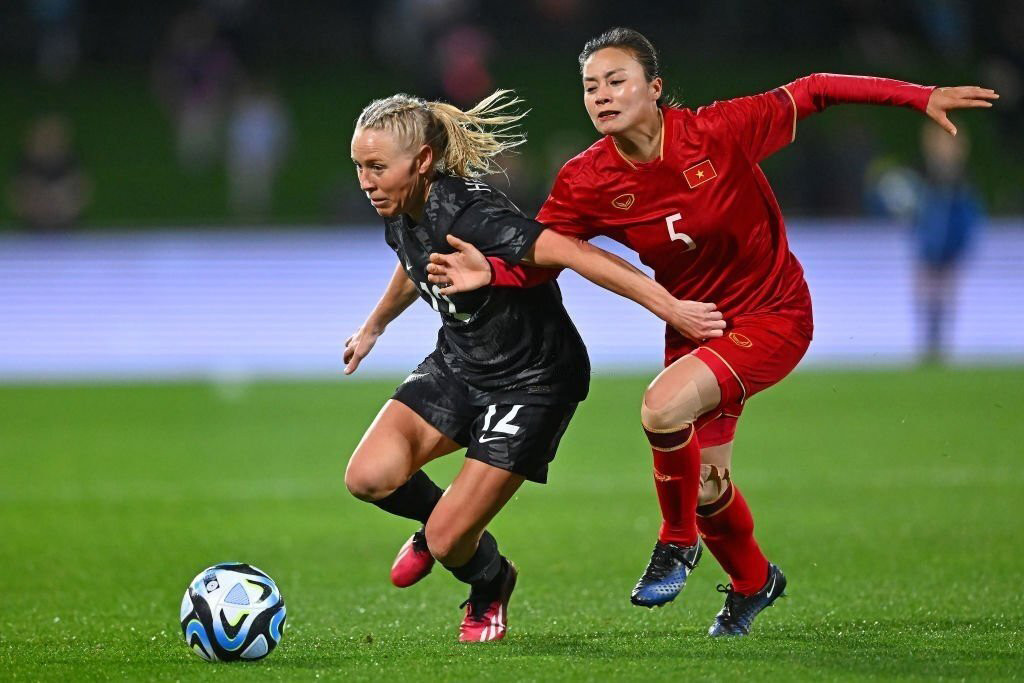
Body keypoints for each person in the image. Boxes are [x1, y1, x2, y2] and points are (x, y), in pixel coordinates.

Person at [422, 27, 998, 637]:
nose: (602, 96)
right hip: (696, 327)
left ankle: (676, 542)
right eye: (591, 87)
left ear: (655, 88)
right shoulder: (586, 179)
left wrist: (919, 97)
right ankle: (754, 582)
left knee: (661, 408)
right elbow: (544, 254)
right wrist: (493, 271)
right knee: (705, 485)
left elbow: (817, 89)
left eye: (616, 81)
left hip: (773, 314)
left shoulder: (718, 132)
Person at [343, 90, 724, 643]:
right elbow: (414, 260)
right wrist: (374, 326)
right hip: (463, 363)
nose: (365, 181)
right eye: (359, 166)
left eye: (376, 167)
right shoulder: (402, 205)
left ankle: (489, 582)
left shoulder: (475, 217)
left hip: (533, 381)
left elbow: (575, 252)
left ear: (422, 161)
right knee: (368, 477)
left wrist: (670, 307)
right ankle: (444, 523)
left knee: (450, 542)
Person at [912, 124, 983, 364]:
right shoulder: (926, 179)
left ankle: (940, 345)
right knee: (927, 294)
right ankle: (929, 343)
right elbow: (918, 215)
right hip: (928, 246)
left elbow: (967, 216)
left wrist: (962, 243)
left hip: (949, 247)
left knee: (944, 293)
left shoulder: (960, 183)